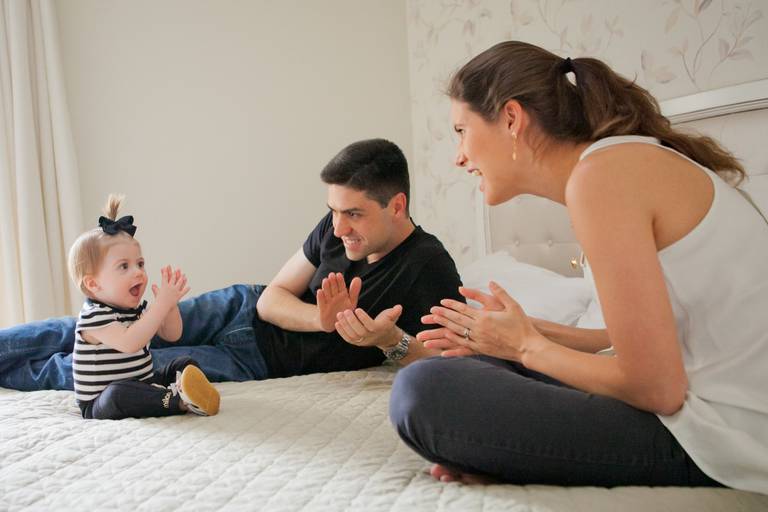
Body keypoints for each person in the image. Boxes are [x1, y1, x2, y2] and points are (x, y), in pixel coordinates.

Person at [389, 41, 768, 493]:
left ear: (511, 118)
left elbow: (657, 388)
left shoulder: (601, 177)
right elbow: (632, 341)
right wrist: (523, 334)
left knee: (424, 390)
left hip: (725, 435)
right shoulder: (619, 162)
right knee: (481, 362)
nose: (459, 156)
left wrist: (525, 346)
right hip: (708, 406)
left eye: (461, 130)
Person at [0, 138, 462, 391]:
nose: (338, 227)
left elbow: (452, 363)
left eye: (354, 214)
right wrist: (322, 322)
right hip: (238, 306)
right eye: (333, 211)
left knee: (114, 369)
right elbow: (272, 298)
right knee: (90, 325)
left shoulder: (428, 266)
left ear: (396, 206)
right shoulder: (334, 226)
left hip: (256, 361)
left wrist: (390, 341)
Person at [68, 194, 220, 419]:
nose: (138, 272)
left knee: (183, 363)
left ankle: (193, 393)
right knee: (118, 394)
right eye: (124, 266)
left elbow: (172, 335)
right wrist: (160, 306)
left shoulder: (136, 309)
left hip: (143, 383)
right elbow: (130, 343)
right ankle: (176, 401)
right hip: (101, 401)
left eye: (140, 264)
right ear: (94, 284)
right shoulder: (93, 317)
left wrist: (169, 307)